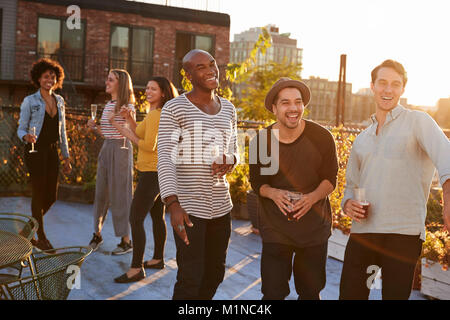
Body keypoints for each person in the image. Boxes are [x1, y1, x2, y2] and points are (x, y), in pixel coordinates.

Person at [340, 59, 450, 300]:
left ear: (402, 89)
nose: (388, 90)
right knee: (351, 296)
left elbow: (446, 155)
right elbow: (351, 187)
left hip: (403, 235)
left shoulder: (417, 122)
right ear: (372, 86)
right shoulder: (362, 139)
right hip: (363, 236)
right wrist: (347, 204)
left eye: (395, 84)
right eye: (382, 83)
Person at [157, 49, 239, 299]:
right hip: (189, 208)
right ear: (188, 74)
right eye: (201, 67)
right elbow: (165, 157)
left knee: (215, 273)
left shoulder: (229, 109)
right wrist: (172, 204)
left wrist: (231, 159)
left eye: (212, 64)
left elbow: (235, 149)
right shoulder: (174, 108)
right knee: (190, 277)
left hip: (222, 208)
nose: (211, 70)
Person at [249, 78, 338, 300]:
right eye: (286, 103)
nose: (293, 108)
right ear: (274, 108)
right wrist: (274, 193)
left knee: (309, 293)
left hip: (314, 228)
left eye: (298, 102)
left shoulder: (322, 137)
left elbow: (330, 179)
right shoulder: (262, 141)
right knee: (272, 293)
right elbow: (257, 183)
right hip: (275, 227)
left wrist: (311, 198)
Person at [111, 77, 179, 283]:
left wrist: (123, 130)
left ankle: (136, 268)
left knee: (136, 218)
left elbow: (148, 145)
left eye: (153, 89)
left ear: (163, 93)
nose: (148, 91)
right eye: (147, 87)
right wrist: (130, 119)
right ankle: (158, 259)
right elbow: (140, 131)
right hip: (159, 172)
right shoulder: (155, 114)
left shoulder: (158, 115)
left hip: (152, 173)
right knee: (157, 216)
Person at [17, 58, 72, 251]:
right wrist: (26, 137)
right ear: (38, 78)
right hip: (34, 150)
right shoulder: (30, 101)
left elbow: (63, 131)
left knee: (52, 196)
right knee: (39, 193)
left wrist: (66, 156)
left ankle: (27, 231)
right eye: (46, 76)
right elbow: (20, 128)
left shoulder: (59, 100)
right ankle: (41, 238)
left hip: (51, 151)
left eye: (53, 76)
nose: (50, 79)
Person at [87, 69, 135, 255]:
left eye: (111, 79)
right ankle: (97, 234)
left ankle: (126, 240)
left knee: (121, 195)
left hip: (121, 149)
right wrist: (95, 127)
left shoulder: (127, 107)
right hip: (107, 147)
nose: (106, 82)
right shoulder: (108, 105)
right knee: (101, 193)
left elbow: (130, 134)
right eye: (107, 79)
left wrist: (116, 121)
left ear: (120, 84)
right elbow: (106, 133)